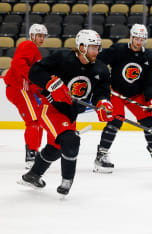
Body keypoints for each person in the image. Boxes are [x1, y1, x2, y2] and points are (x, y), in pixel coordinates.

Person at [19, 29, 112, 196]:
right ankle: (67, 181)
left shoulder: (101, 69)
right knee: (70, 140)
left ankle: (32, 175)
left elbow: (102, 92)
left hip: (71, 113)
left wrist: (103, 103)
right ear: (82, 46)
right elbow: (34, 71)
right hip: (51, 109)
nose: (96, 51)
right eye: (93, 47)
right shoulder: (62, 58)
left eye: (98, 48)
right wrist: (51, 84)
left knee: (56, 147)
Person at [94, 24, 152, 173]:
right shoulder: (118, 50)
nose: (139, 42)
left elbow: (148, 82)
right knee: (115, 120)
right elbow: (99, 62)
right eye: (136, 38)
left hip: (136, 94)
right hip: (116, 93)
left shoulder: (149, 57)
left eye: (142, 39)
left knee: (148, 120)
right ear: (131, 37)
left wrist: (151, 100)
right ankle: (101, 155)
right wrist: (103, 80)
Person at [4, 24, 47, 169]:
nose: (41, 38)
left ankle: (34, 151)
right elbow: (17, 63)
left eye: (43, 36)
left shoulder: (35, 51)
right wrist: (34, 78)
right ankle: (31, 154)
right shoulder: (28, 45)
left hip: (24, 90)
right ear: (32, 35)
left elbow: (32, 77)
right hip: (19, 89)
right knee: (34, 121)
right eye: (39, 35)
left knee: (39, 120)